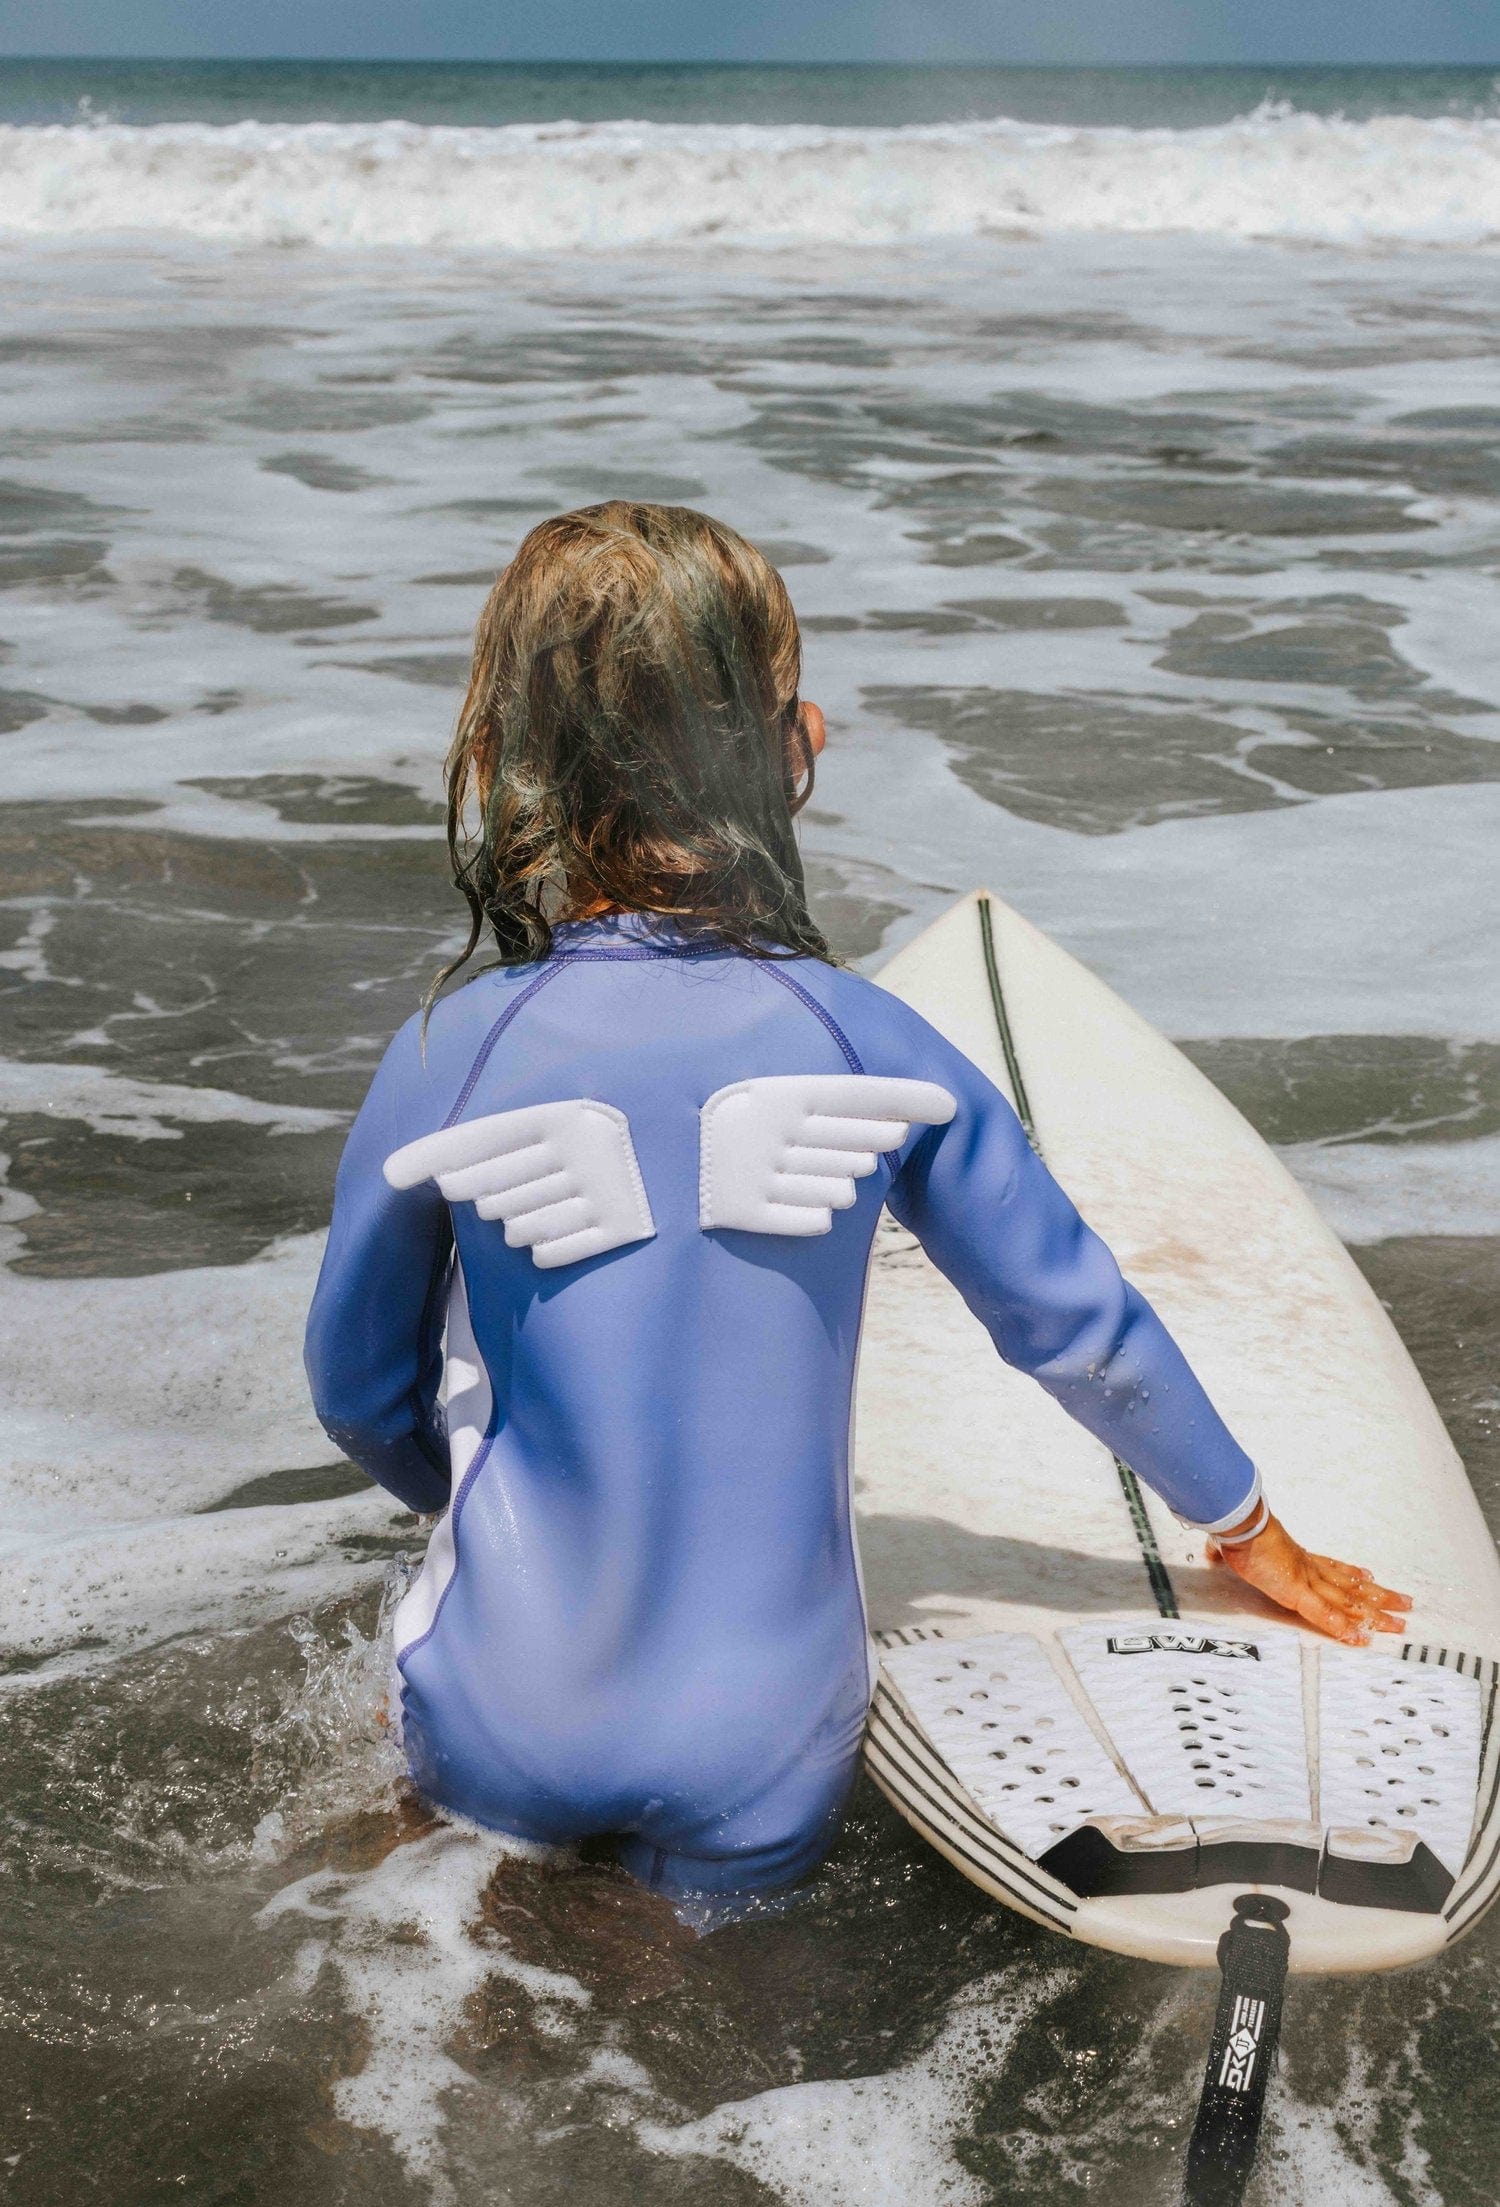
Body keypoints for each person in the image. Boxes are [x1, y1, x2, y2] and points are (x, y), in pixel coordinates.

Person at [304, 502, 1408, 1900]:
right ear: (793, 748)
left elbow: (356, 1389)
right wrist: (1250, 1529)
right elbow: (1084, 1331)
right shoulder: (871, 1043)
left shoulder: (450, 1058)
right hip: (768, 1741)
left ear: (501, 763)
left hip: (497, 1717)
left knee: (442, 1936)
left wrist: (460, 1490)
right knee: (705, 2035)